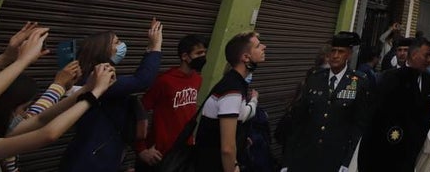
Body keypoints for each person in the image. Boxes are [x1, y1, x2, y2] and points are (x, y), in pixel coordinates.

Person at [0, 34, 118, 170]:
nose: (25, 114)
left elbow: (40, 118)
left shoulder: (7, 128)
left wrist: (87, 89)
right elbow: (47, 134)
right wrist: (94, 93)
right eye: (24, 108)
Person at [61, 19, 164, 172]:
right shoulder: (98, 81)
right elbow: (142, 80)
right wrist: (155, 47)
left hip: (95, 156)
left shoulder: (93, 78)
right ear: (103, 51)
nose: (122, 45)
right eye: (117, 42)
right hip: (91, 162)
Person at [280, 32, 371, 172]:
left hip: (335, 158)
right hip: (306, 156)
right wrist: (287, 161)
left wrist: (348, 162)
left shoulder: (359, 82)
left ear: (349, 55)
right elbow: (298, 122)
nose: (335, 55)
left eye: (340, 52)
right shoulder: (315, 78)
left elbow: (358, 127)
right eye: (333, 51)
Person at [358, 36, 430, 172]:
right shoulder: (389, 78)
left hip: (417, 152)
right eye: (426, 55)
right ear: (414, 55)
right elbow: (375, 117)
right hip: (388, 151)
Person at [194, 31, 265, 172]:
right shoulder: (232, 89)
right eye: (257, 46)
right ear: (246, 57)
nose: (264, 47)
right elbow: (227, 148)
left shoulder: (234, 83)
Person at [135, 34, 207, 170]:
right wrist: (142, 150)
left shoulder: (198, 79)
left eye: (204, 52)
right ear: (185, 56)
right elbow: (140, 111)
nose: (203, 56)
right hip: (160, 153)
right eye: (199, 53)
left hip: (184, 151)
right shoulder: (165, 81)